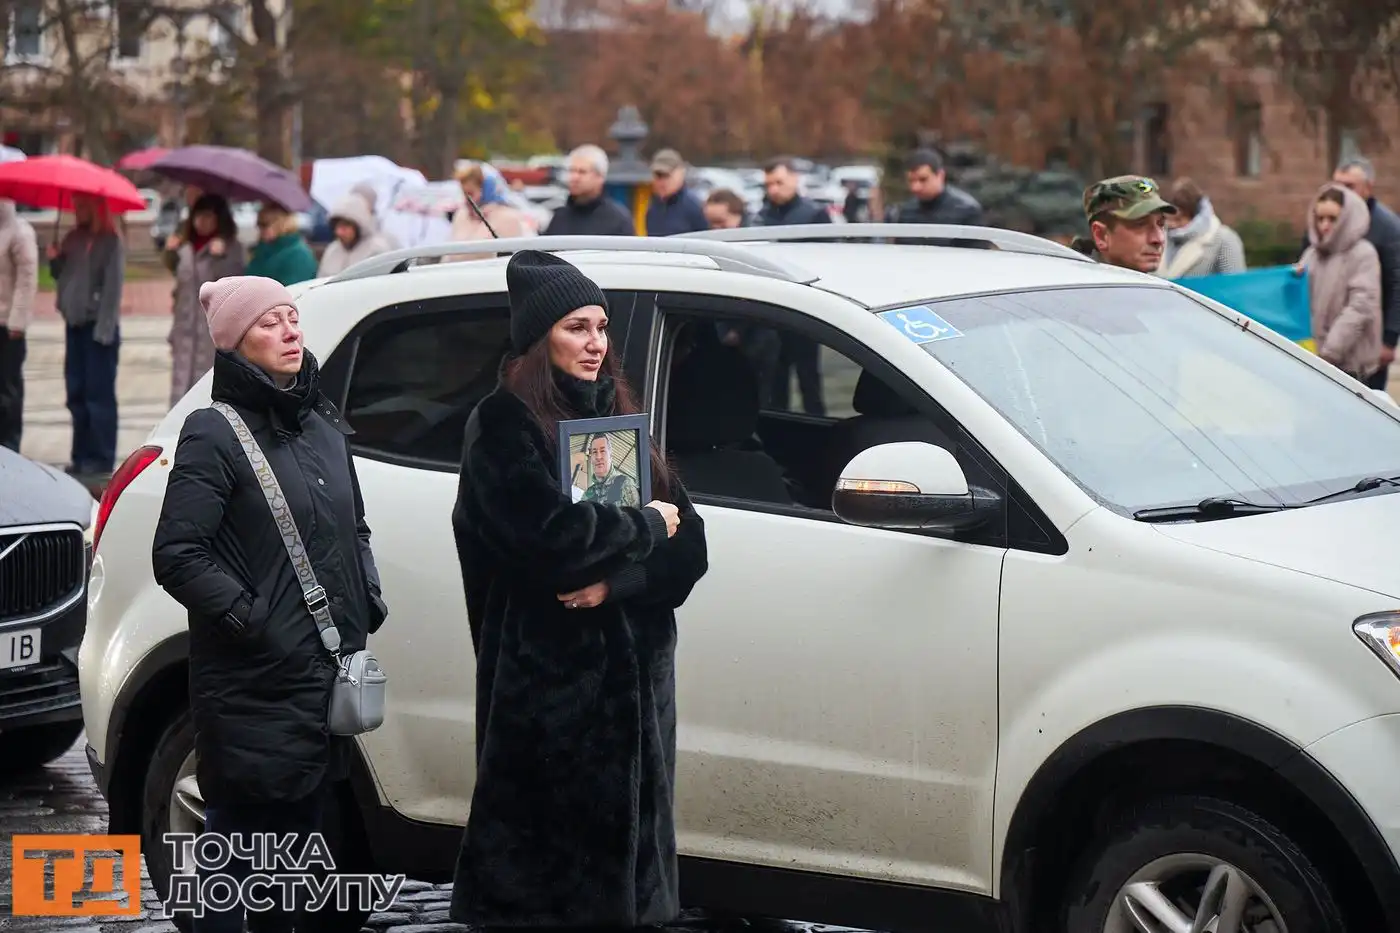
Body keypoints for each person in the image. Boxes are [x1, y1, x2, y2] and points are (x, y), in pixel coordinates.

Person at [449, 249, 708, 930]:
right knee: (551, 901)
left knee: (630, 897)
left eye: (600, 327)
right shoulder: (502, 426)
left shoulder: (622, 422)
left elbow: (694, 548)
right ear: (540, 339)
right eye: (576, 328)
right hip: (549, 709)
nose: (595, 343)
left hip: (640, 710)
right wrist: (645, 524)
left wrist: (619, 579)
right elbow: (549, 541)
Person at [152, 274, 389, 933]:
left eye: (292, 316)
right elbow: (177, 551)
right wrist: (249, 619)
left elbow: (355, 526)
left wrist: (366, 597)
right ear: (234, 343)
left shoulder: (320, 424)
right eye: (268, 322)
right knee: (238, 859)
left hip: (318, 683)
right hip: (252, 682)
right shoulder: (213, 431)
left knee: (297, 852)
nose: (289, 330)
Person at [48, 193, 125, 477]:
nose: (77, 211)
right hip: (75, 326)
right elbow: (64, 277)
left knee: (98, 395)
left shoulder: (111, 242)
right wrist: (55, 261)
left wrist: (104, 331)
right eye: (76, 206)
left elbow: (113, 289)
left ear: (96, 208)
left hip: (98, 329)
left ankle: (101, 457)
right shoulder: (72, 239)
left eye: (83, 207)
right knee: (76, 393)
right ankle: (80, 455)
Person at [755, 156, 830, 415]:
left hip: (806, 306)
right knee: (776, 385)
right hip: (774, 308)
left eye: (779, 182)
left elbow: (828, 260)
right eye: (768, 184)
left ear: (794, 179)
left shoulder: (814, 215)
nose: (773, 189)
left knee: (809, 380)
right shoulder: (762, 217)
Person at [165, 193, 246, 406]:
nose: (202, 222)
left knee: (207, 393)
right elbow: (180, 287)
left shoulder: (231, 249)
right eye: (198, 216)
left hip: (212, 337)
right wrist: (170, 253)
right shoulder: (186, 248)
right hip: (185, 333)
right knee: (180, 392)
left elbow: (233, 287)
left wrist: (221, 258)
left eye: (208, 216)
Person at [1297, 183, 1383, 384]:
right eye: (1320, 218)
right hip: (1314, 360)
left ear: (1347, 218)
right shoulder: (1312, 254)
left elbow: (1360, 307)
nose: (1325, 225)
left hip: (1350, 366)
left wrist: (1330, 352)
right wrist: (1292, 279)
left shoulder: (1363, 254)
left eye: (1333, 219)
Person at [1069, 175, 1177, 272]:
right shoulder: (1074, 289)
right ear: (1101, 235)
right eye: (1140, 224)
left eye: (1161, 224)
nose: (1159, 239)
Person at [0, 198, 37, 451]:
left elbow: (27, 279)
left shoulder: (19, 231)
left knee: (8, 390)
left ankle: (10, 446)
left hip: (8, 327)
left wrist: (17, 321)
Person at [1158, 177, 1247, 278]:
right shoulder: (1159, 237)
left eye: (1178, 220)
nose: (1171, 225)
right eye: (1168, 219)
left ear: (1195, 217)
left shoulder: (1225, 239)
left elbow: (1234, 285)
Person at [542, 145, 636, 237]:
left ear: (600, 176)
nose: (574, 177)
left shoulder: (617, 220)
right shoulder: (559, 217)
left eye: (582, 172)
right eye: (571, 171)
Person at [445, 161, 530, 261]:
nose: (466, 199)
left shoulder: (508, 218)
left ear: (487, 190)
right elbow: (448, 256)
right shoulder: (461, 214)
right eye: (464, 193)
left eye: (470, 193)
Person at [317, 193, 396, 277]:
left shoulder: (376, 251)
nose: (339, 232)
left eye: (345, 226)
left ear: (358, 226)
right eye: (336, 227)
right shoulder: (332, 251)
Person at [245, 204, 318, 286]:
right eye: (258, 224)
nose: (260, 228)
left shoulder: (298, 255)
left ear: (281, 224)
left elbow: (293, 289)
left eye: (264, 224)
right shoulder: (262, 249)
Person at [644, 148, 707, 236]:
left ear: (680, 173)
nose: (662, 182)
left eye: (666, 175)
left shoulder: (695, 207)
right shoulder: (653, 207)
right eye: (658, 175)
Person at [579, 433, 640, 506]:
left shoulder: (624, 484)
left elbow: (638, 515)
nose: (598, 457)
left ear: (610, 455)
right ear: (591, 458)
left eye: (602, 451)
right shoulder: (587, 496)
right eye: (594, 452)